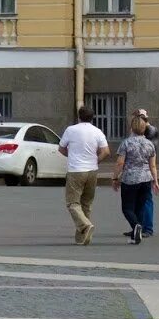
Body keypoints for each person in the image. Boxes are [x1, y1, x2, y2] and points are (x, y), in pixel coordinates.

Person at [58, 105, 110, 245]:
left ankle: (85, 226)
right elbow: (106, 151)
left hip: (76, 170)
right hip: (92, 170)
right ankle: (83, 237)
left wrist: (72, 156)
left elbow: (61, 148)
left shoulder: (71, 130)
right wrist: (96, 160)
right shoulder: (97, 131)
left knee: (72, 203)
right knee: (86, 203)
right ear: (92, 117)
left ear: (79, 116)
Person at [112, 116, 159, 245]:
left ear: (131, 128)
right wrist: (155, 181)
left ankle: (136, 226)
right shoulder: (150, 144)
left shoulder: (126, 143)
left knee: (127, 208)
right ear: (145, 129)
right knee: (140, 207)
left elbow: (120, 163)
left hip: (130, 179)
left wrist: (115, 178)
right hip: (145, 179)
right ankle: (136, 233)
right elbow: (153, 166)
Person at [133, 108, 159, 234]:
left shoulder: (151, 130)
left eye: (138, 118)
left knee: (146, 200)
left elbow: (150, 159)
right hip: (135, 172)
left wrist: (155, 180)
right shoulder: (137, 133)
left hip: (145, 170)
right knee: (137, 200)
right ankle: (137, 226)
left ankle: (147, 228)